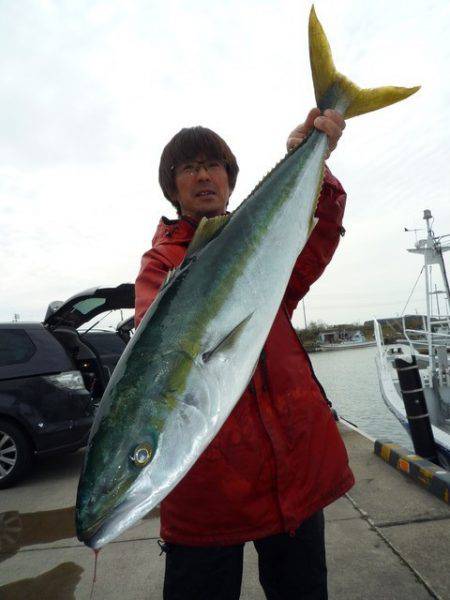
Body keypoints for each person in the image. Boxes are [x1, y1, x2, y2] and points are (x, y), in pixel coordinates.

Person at [134, 108, 354, 600]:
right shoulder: (161, 264)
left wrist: (313, 160)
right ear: (173, 188)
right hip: (209, 494)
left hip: (291, 473)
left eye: (215, 164)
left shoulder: (267, 247)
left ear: (231, 180)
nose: (203, 174)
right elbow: (162, 346)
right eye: (188, 167)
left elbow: (315, 241)